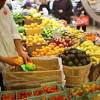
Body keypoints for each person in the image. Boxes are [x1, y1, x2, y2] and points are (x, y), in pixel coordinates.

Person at [0, 0, 31, 90]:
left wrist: (20, 50)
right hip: (3, 61)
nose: (3, 2)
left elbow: (14, 31)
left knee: (9, 90)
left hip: (11, 61)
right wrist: (5, 59)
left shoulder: (5, 8)